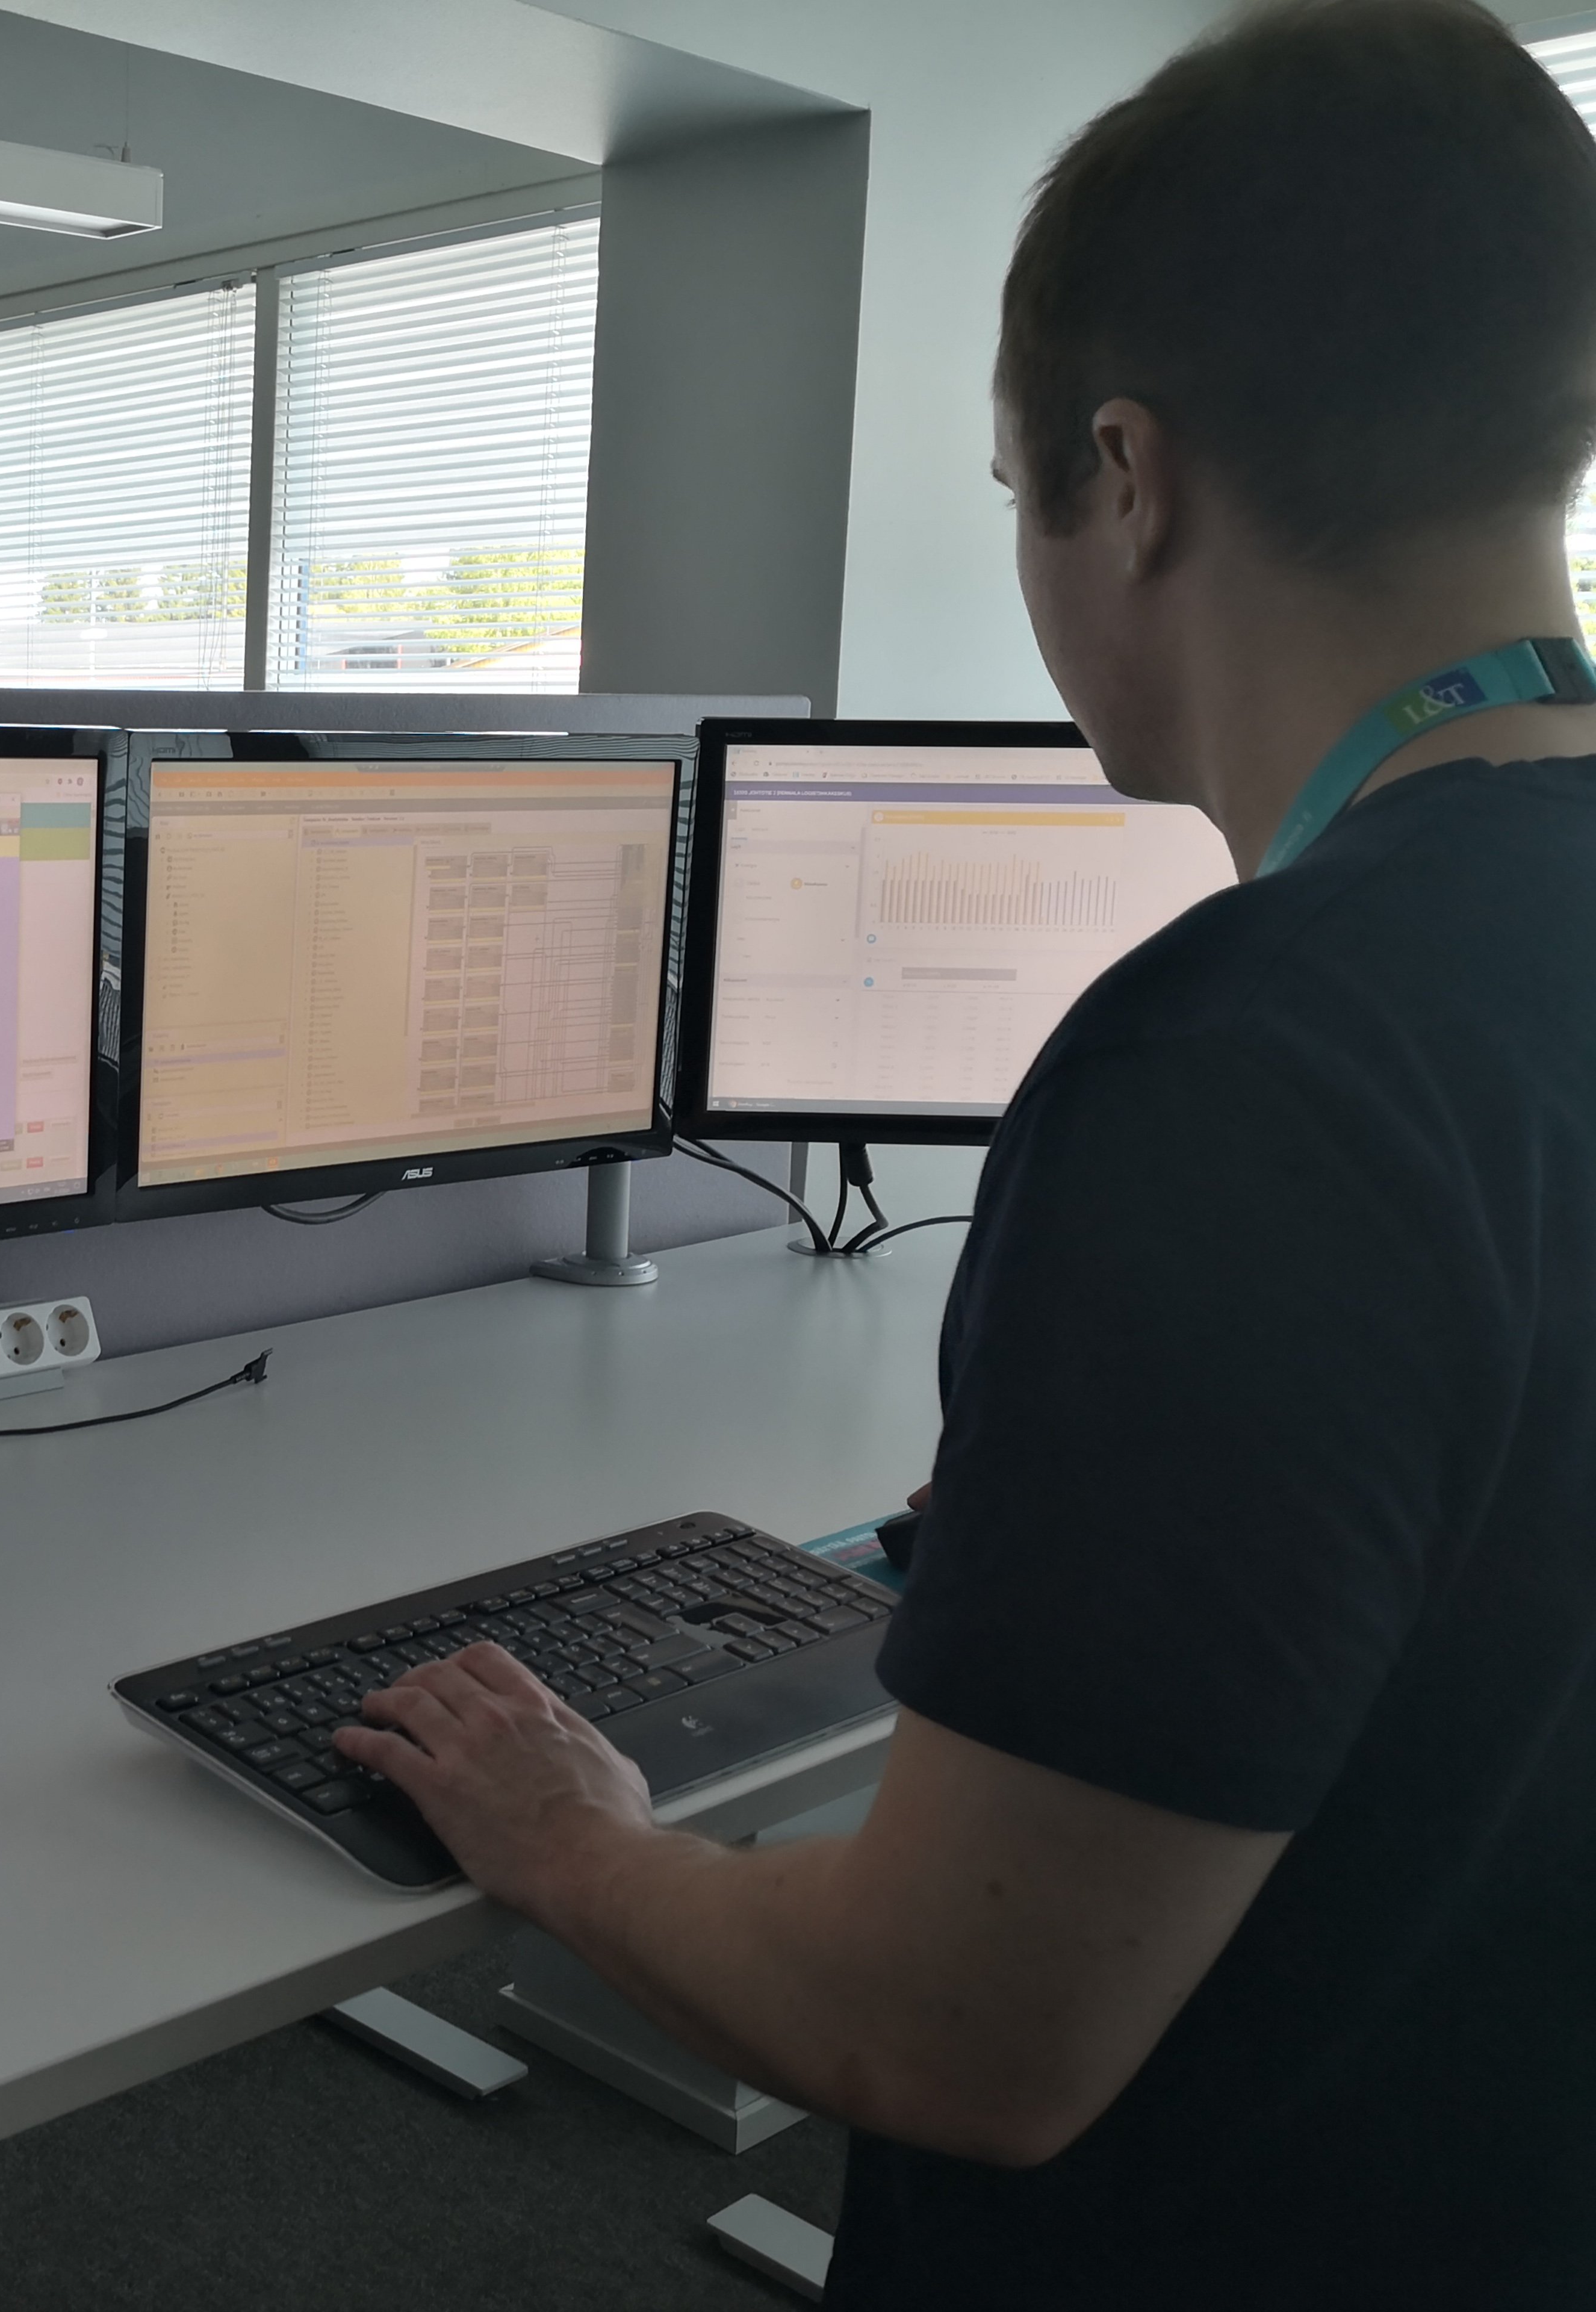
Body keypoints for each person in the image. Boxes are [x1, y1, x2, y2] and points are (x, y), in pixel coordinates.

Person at [332, 2, 1596, 2301]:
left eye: (1018, 497)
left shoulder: (1252, 1067)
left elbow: (948, 2033)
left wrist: (570, 1839)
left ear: (1128, 475)